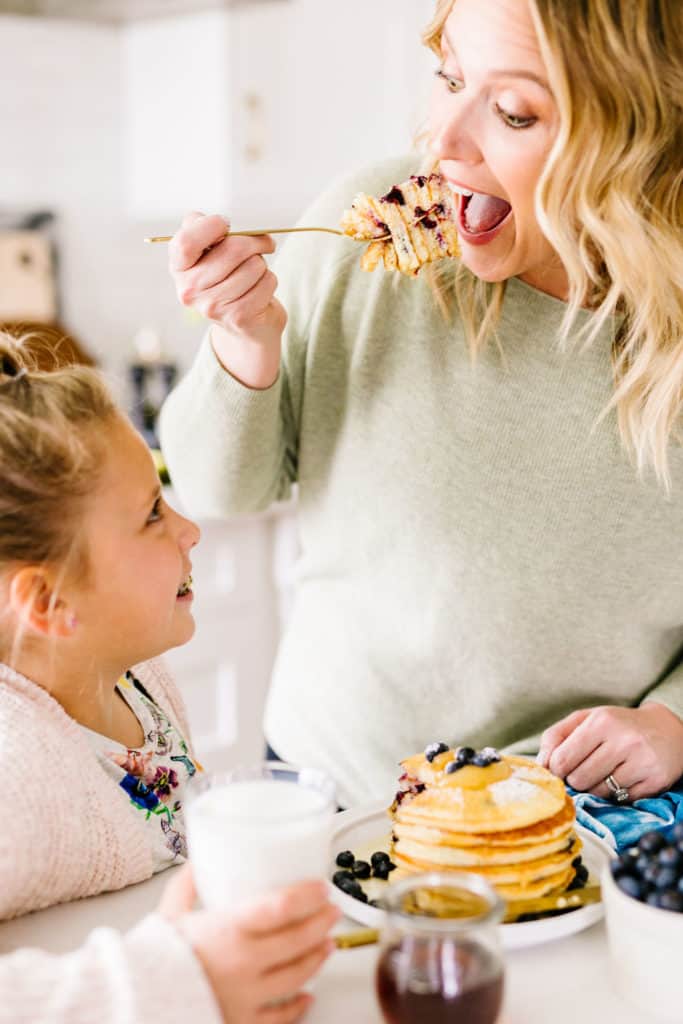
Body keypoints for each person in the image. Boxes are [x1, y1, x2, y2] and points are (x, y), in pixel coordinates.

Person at [159, 0, 683, 811]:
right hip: (331, 786)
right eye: (448, 79)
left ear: (635, 135)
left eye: (512, 112)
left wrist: (674, 719)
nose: (443, 140)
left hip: (571, 811)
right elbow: (220, 493)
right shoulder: (359, 233)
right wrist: (244, 341)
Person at [0, 337, 338, 1023]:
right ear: (50, 604)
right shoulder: (14, 771)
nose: (190, 531)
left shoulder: (134, 676)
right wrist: (176, 980)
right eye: (153, 513)